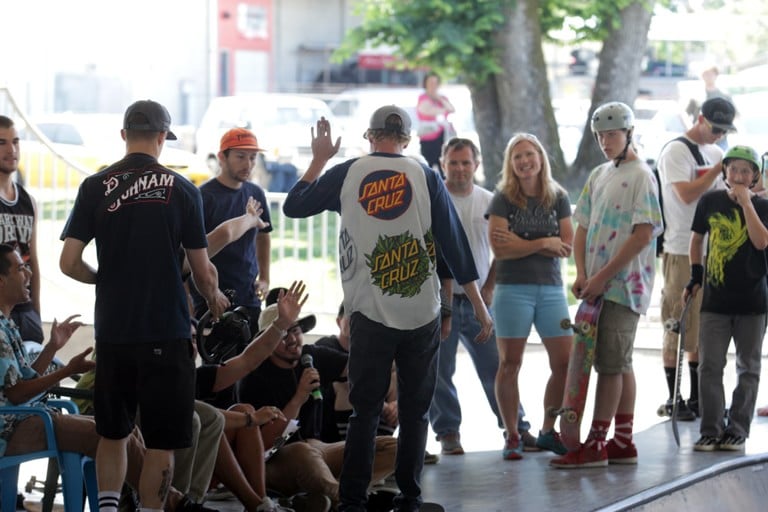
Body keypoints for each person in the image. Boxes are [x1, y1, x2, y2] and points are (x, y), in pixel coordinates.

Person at [282, 106, 493, 511]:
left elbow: (294, 206)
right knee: (415, 413)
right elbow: (452, 242)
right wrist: (479, 306)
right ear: (409, 140)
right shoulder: (425, 174)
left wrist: (320, 158)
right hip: (421, 312)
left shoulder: (348, 172)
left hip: (368, 312)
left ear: (368, 135)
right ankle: (411, 498)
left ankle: (352, 502)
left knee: (365, 411)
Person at [59, 99, 229, 512]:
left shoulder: (94, 186)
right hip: (165, 332)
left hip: (114, 332)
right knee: (161, 442)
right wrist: (215, 300)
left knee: (113, 433)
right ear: (161, 138)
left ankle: (108, 507)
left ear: (123, 136)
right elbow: (203, 272)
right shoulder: (184, 191)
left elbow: (68, 262)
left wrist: (103, 278)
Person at [0, 244, 209, 512]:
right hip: (10, 428)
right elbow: (16, 394)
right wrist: (66, 371)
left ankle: (148, 501)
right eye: (20, 268)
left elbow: (23, 380)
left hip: (28, 418)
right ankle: (173, 503)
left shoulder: (7, 324)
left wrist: (53, 347)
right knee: (104, 434)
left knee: (124, 429)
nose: (28, 274)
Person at [550, 101, 662, 468]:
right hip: (597, 286)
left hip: (622, 287)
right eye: (600, 135)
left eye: (611, 134)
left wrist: (600, 278)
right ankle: (623, 442)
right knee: (620, 363)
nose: (604, 141)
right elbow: (582, 226)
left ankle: (596, 445)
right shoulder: (600, 174)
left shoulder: (642, 175)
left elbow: (643, 236)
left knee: (611, 366)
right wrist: (582, 273)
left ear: (629, 133)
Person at [429, 137, 539, 456]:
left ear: (476, 165)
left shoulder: (490, 202)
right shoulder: (434, 199)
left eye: (466, 163)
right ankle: (448, 432)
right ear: (442, 164)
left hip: (480, 303)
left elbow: (502, 251)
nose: (460, 169)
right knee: (439, 370)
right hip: (440, 301)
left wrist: (489, 287)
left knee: (497, 366)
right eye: (454, 163)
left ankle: (515, 427)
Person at [238, 299, 398, 512]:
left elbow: (359, 369)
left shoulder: (311, 355)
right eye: (283, 334)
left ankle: (318, 499)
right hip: (273, 462)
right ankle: (349, 501)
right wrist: (299, 397)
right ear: (267, 340)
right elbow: (264, 444)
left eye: (296, 330)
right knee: (304, 452)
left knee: (393, 447)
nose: (293, 339)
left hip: (317, 449)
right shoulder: (254, 377)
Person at [486, 133, 573, 460]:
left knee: (565, 363)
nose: (524, 161)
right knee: (510, 363)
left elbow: (565, 244)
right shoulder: (503, 197)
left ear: (540, 157)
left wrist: (519, 242)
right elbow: (500, 249)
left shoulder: (558, 196)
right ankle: (512, 434)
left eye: (529, 154)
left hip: (551, 290)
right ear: (511, 163)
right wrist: (541, 243)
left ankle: (548, 430)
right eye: (517, 156)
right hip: (512, 290)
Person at [656, 96, 735, 420]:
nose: (719, 135)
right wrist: (718, 168)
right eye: (715, 128)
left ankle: (696, 396)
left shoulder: (716, 152)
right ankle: (673, 397)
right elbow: (685, 193)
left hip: (712, 250)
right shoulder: (676, 150)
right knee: (677, 321)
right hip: (679, 247)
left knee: (702, 328)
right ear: (700, 119)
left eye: (724, 130)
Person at [685, 145, 768, 452]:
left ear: (755, 175)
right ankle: (710, 428)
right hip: (715, 302)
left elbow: (761, 242)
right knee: (709, 365)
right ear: (725, 172)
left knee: (748, 368)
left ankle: (738, 428)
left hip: (753, 302)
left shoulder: (763, 206)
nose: (738, 176)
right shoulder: (710, 201)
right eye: (733, 169)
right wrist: (695, 276)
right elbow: (696, 240)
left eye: (746, 171)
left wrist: (747, 204)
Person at [191, 127, 272, 329]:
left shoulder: (255, 193)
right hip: (212, 297)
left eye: (253, 158)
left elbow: (264, 235)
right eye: (240, 157)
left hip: (248, 295)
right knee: (219, 360)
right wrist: (190, 305)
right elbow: (188, 254)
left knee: (251, 357)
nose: (248, 164)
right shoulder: (203, 197)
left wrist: (264, 278)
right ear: (221, 157)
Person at [0, 115, 43, 343]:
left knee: (33, 374)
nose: (11, 149)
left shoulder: (28, 200)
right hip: (1, 308)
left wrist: (36, 312)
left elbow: (33, 261)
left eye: (15, 141)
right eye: (1, 143)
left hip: (25, 311)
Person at [416, 73, 455, 176]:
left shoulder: (441, 98)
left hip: (442, 137)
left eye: (435, 83)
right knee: (427, 166)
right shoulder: (423, 98)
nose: (433, 85)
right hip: (428, 137)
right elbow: (427, 111)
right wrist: (442, 109)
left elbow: (451, 109)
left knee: (443, 165)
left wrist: (438, 99)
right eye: (430, 83)